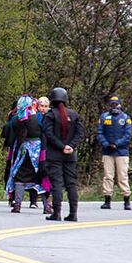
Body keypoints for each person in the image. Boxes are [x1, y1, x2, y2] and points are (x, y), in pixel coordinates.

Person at [41, 87, 84, 222]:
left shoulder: (50, 115)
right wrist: (71, 146)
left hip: (54, 155)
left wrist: (61, 146)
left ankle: (57, 212)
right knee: (71, 184)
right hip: (70, 155)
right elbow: (80, 134)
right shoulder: (74, 115)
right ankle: (73, 213)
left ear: (52, 100)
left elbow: (48, 133)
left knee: (57, 184)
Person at [5, 95, 42, 213]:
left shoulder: (15, 119)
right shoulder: (39, 118)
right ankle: (47, 205)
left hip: (22, 150)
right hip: (36, 151)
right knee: (40, 176)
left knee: (20, 176)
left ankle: (17, 204)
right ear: (32, 105)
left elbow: (10, 131)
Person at [97, 95, 132, 211]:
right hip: (107, 151)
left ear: (120, 105)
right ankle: (107, 200)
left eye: (116, 104)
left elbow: (128, 135)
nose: (114, 107)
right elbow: (100, 133)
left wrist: (117, 144)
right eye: (112, 104)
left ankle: (126, 200)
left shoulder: (126, 118)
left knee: (122, 176)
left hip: (122, 152)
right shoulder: (104, 117)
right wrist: (106, 144)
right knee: (108, 176)